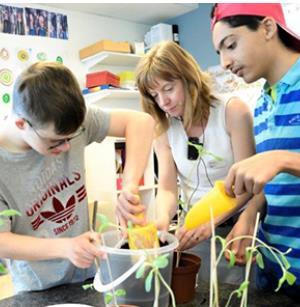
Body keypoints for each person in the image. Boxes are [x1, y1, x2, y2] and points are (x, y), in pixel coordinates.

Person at [0, 62, 155, 293]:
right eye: (55, 142)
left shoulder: (73, 124)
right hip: (37, 287)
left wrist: (129, 187)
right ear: (22, 124)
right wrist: (66, 247)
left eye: (71, 139)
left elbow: (142, 123)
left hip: (87, 274)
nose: (65, 148)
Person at [131, 41, 256, 284]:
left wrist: (213, 222)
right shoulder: (164, 127)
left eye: (168, 88)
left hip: (236, 229)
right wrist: (163, 221)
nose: (163, 102)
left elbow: (249, 186)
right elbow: (167, 187)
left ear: (189, 79)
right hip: (193, 230)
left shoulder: (232, 111)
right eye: (155, 95)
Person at [211, 3, 300, 299]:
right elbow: (274, 186)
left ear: (267, 28)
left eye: (231, 45)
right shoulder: (261, 103)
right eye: (219, 52)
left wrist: (282, 159)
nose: (224, 62)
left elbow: (280, 164)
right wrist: (250, 215)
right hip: (272, 268)